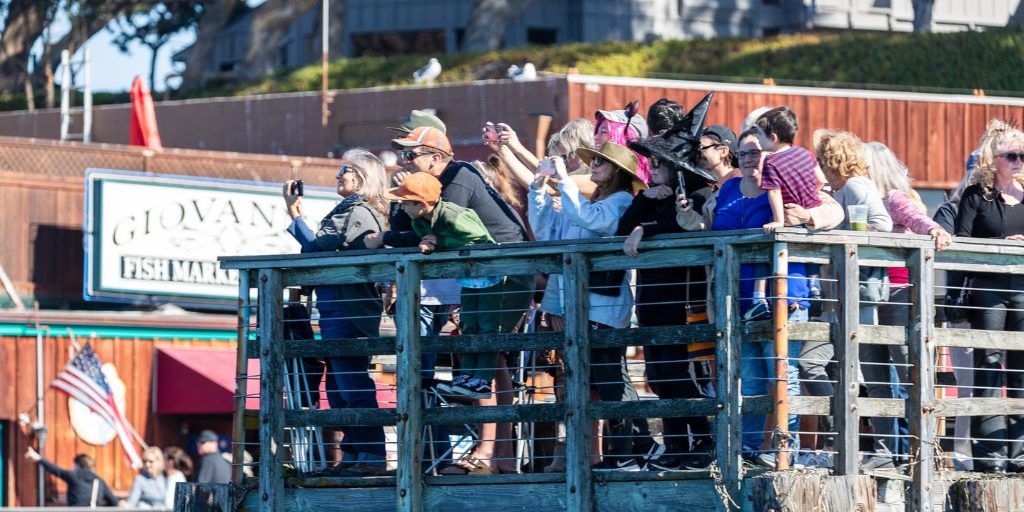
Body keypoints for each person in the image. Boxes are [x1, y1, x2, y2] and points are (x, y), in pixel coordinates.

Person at [531, 142, 663, 471]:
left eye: (601, 162)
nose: (593, 166)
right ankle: (636, 448)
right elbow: (549, 230)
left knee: (611, 379)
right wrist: (537, 189)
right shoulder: (593, 201)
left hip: (602, 304)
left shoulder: (619, 201)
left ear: (617, 172)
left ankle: (630, 451)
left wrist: (562, 180)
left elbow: (594, 223)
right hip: (587, 303)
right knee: (607, 378)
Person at [283, 149, 390, 477]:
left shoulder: (358, 211)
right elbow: (318, 249)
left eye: (343, 170)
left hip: (347, 309)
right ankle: (355, 453)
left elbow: (315, 248)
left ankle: (369, 456)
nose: (337, 175)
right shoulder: (353, 210)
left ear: (359, 176)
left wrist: (294, 215)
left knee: (351, 386)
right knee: (340, 389)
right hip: (338, 308)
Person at [619, 128, 720, 470]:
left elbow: (683, 226)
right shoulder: (651, 196)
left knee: (682, 375)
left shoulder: (699, 192)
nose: (651, 169)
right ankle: (676, 445)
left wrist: (646, 228)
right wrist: (645, 203)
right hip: (651, 301)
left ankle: (703, 442)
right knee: (659, 376)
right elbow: (622, 227)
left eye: (658, 163)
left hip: (683, 302)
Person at [712, 128, 813, 468]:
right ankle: (751, 452)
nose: (750, 159)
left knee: (782, 377)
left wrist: (806, 217)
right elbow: (713, 229)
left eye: (756, 151)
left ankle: (788, 451)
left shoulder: (788, 184)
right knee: (751, 381)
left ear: (770, 152)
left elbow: (827, 212)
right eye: (743, 153)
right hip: (739, 299)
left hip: (783, 296)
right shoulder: (728, 188)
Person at [813, 129, 898, 470]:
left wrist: (848, 236)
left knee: (867, 371)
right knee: (846, 367)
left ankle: (882, 451)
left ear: (832, 161)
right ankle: (862, 448)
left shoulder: (855, 186)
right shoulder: (844, 188)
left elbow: (883, 224)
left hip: (859, 290)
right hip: (847, 291)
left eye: (820, 160)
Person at [389, 172, 503, 399]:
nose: (401, 207)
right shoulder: (419, 221)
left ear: (422, 204)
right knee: (470, 325)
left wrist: (439, 242)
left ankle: (482, 378)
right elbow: (431, 239)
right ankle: (467, 375)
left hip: (489, 275)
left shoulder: (451, 215)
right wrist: (430, 244)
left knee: (487, 326)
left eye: (404, 203)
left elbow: (479, 239)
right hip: (468, 277)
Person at [956, 119, 1024, 474]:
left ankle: (1020, 454)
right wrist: (1001, 246)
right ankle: (990, 457)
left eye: (1023, 156)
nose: (1018, 161)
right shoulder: (976, 196)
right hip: (989, 289)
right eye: (1011, 155)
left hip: (1022, 290)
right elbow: (960, 243)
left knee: (1021, 373)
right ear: (992, 159)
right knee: (988, 367)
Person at [744, 106, 824, 321]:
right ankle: (815, 287)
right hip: (809, 210)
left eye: (760, 135)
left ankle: (759, 298)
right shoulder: (805, 153)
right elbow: (821, 180)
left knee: (763, 252)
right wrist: (808, 196)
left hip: (788, 214)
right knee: (809, 252)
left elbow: (774, 193)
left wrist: (778, 220)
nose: (758, 140)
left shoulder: (771, 161)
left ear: (773, 137)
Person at [24, 447, 118, 507]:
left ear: (78, 464)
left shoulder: (74, 476)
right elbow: (113, 502)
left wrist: (39, 459)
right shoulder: (99, 481)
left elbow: (55, 470)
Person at [594, 108, 651, 183]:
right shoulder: (592, 172)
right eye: (598, 161)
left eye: (603, 131)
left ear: (624, 137)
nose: (595, 137)